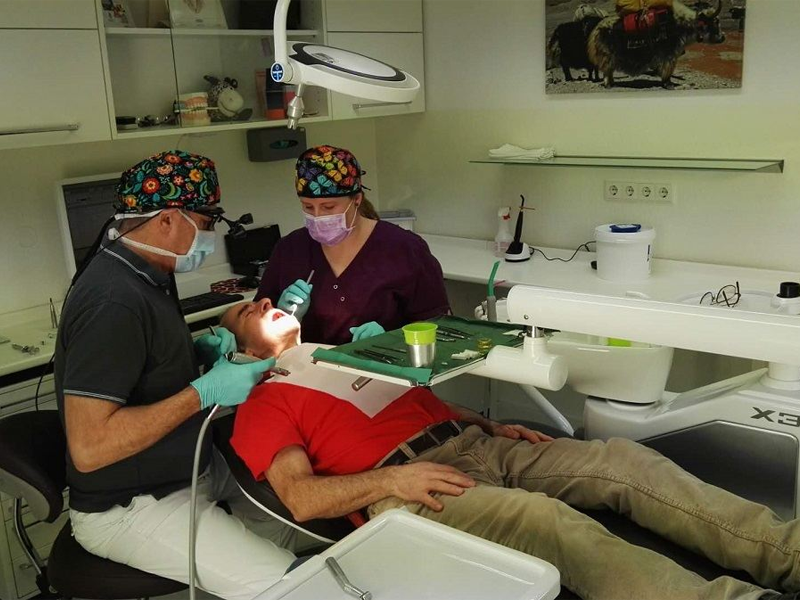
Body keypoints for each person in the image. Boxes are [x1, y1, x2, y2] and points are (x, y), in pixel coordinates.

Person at [221, 299, 800, 600]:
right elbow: (302, 499)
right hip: (411, 486)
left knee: (624, 461)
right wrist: (393, 483)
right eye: (248, 311)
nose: (265, 301)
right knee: (547, 522)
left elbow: (414, 407)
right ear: (238, 351)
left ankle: (788, 555)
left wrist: (488, 424)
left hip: (477, 442)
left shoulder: (343, 357)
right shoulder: (263, 401)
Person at [54, 151, 298, 600]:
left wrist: (191, 358)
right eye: (205, 224)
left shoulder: (149, 270)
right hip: (133, 504)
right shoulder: (113, 301)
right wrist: (201, 392)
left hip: (192, 465)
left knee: (304, 522)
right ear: (167, 218)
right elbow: (90, 448)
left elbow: (140, 366)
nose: (209, 237)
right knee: (291, 584)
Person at [254, 145, 450, 346]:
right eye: (308, 207)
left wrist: (393, 340)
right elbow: (254, 329)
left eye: (328, 207)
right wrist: (282, 316)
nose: (318, 216)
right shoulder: (290, 249)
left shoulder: (404, 249)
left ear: (356, 199)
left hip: (382, 365)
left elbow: (439, 326)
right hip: (306, 365)